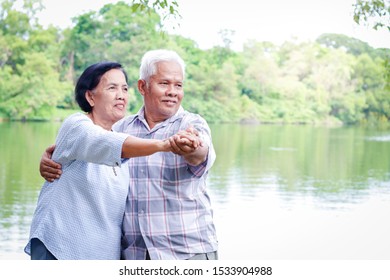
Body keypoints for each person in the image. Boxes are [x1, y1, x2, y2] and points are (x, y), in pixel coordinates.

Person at [40, 49, 218, 260]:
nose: (173, 91)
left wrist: (191, 147)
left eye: (178, 85)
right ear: (143, 86)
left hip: (186, 253)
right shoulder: (121, 128)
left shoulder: (191, 124)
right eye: (164, 84)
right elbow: (96, 143)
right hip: (135, 255)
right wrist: (54, 156)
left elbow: (200, 153)